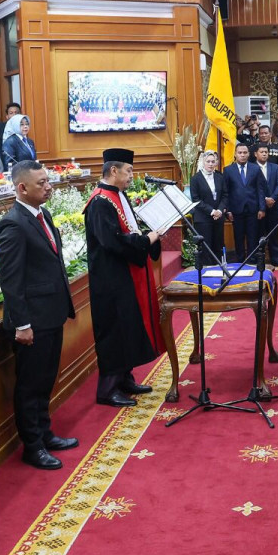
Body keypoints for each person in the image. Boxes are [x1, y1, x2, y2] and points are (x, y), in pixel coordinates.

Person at [0, 160, 78, 470]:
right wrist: (23, 324)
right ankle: (32, 446)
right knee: (29, 385)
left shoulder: (44, 215)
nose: (48, 187)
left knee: (45, 380)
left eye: (48, 181)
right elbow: (11, 282)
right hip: (32, 322)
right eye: (41, 183)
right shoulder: (13, 224)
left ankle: (45, 433)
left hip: (51, 314)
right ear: (22, 188)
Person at [85, 148, 163, 407]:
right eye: (128, 171)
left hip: (125, 275)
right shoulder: (99, 202)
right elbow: (111, 242)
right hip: (110, 279)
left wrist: (146, 237)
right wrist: (145, 241)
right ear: (114, 170)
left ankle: (124, 378)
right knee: (114, 331)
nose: (132, 175)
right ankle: (107, 389)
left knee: (127, 326)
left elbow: (129, 229)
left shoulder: (117, 196)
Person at [223, 143, 267, 263]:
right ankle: (240, 261)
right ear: (235, 154)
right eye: (240, 153)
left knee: (253, 237)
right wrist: (228, 210)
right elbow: (226, 192)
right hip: (236, 210)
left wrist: (262, 208)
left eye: (244, 153)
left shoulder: (255, 169)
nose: (242, 155)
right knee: (238, 238)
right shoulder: (228, 170)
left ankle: (252, 261)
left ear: (248, 154)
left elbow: (260, 190)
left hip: (253, 209)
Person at [189, 150, 227, 266]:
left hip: (218, 218)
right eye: (208, 161)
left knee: (218, 245)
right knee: (206, 247)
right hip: (203, 218)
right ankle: (207, 272)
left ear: (216, 163)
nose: (210, 164)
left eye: (213, 161)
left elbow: (225, 195)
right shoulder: (195, 179)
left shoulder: (220, 177)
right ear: (203, 162)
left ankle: (220, 270)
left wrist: (219, 210)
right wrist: (212, 211)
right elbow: (196, 200)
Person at [253, 142, 278, 267]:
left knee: (274, 233)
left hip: (274, 205)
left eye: (266, 152)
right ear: (255, 154)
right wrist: (264, 199)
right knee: (259, 233)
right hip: (259, 207)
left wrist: (272, 198)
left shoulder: (275, 167)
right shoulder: (252, 168)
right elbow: (253, 188)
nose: (264, 154)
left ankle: (276, 259)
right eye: (261, 152)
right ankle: (259, 259)